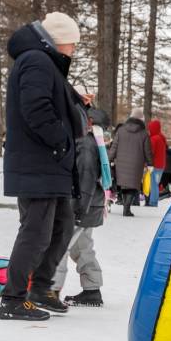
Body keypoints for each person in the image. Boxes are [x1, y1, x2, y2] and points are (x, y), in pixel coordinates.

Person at [0, 11, 85, 322]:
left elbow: (49, 99)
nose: (74, 50)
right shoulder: (36, 60)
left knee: (62, 226)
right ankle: (13, 297)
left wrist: (76, 103)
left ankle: (41, 288)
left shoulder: (43, 63)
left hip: (49, 164)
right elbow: (35, 107)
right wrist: (61, 140)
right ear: (59, 41)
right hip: (39, 162)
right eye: (72, 44)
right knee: (35, 232)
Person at [52, 113, 105, 307]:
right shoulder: (88, 140)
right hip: (89, 203)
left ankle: (51, 290)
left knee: (60, 244)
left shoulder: (84, 143)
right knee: (82, 247)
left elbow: (86, 176)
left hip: (82, 204)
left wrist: (78, 208)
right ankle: (92, 289)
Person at [109, 109, 151, 216]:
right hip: (137, 164)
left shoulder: (121, 130)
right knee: (132, 185)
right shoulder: (144, 133)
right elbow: (147, 150)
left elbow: (114, 146)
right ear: (141, 119)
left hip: (121, 163)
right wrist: (150, 163)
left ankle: (125, 207)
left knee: (124, 185)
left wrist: (109, 159)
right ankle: (126, 208)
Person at [145, 119, 167, 207]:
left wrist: (147, 162)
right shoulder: (161, 138)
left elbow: (151, 152)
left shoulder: (154, 139)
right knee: (155, 184)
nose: (149, 130)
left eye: (150, 128)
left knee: (153, 184)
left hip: (155, 165)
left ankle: (153, 202)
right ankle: (153, 201)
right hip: (161, 165)